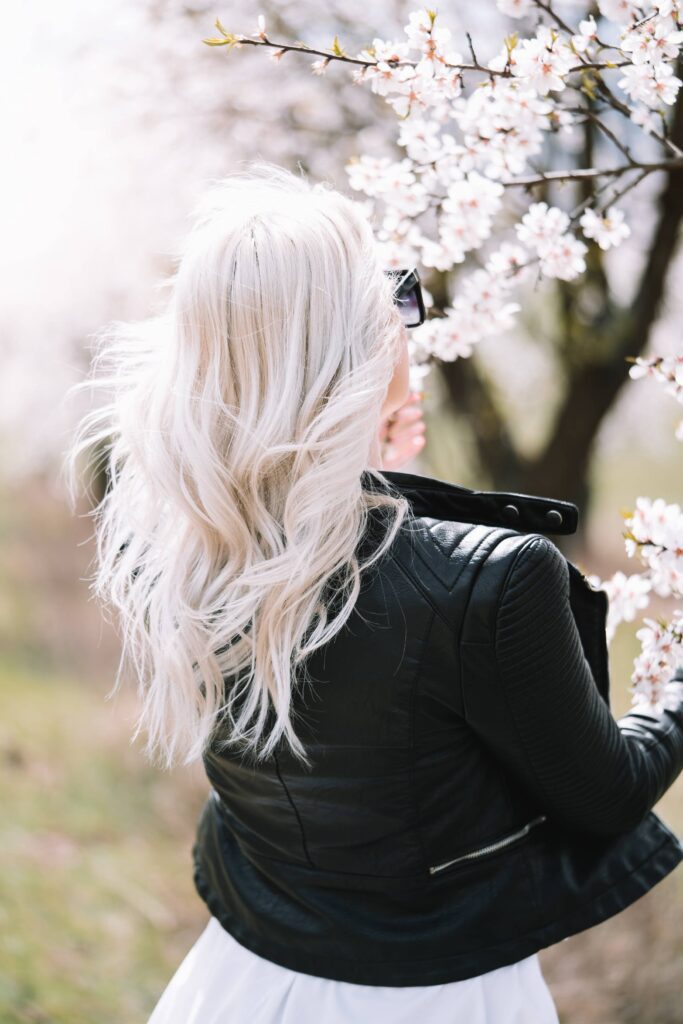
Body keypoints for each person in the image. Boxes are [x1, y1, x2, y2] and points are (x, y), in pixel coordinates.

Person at [64, 163, 683, 1023]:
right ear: (342, 349)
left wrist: (368, 455)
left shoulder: (183, 540)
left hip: (247, 974)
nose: (406, 325)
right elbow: (608, 791)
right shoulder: (496, 582)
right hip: (436, 996)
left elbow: (351, 604)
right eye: (390, 300)